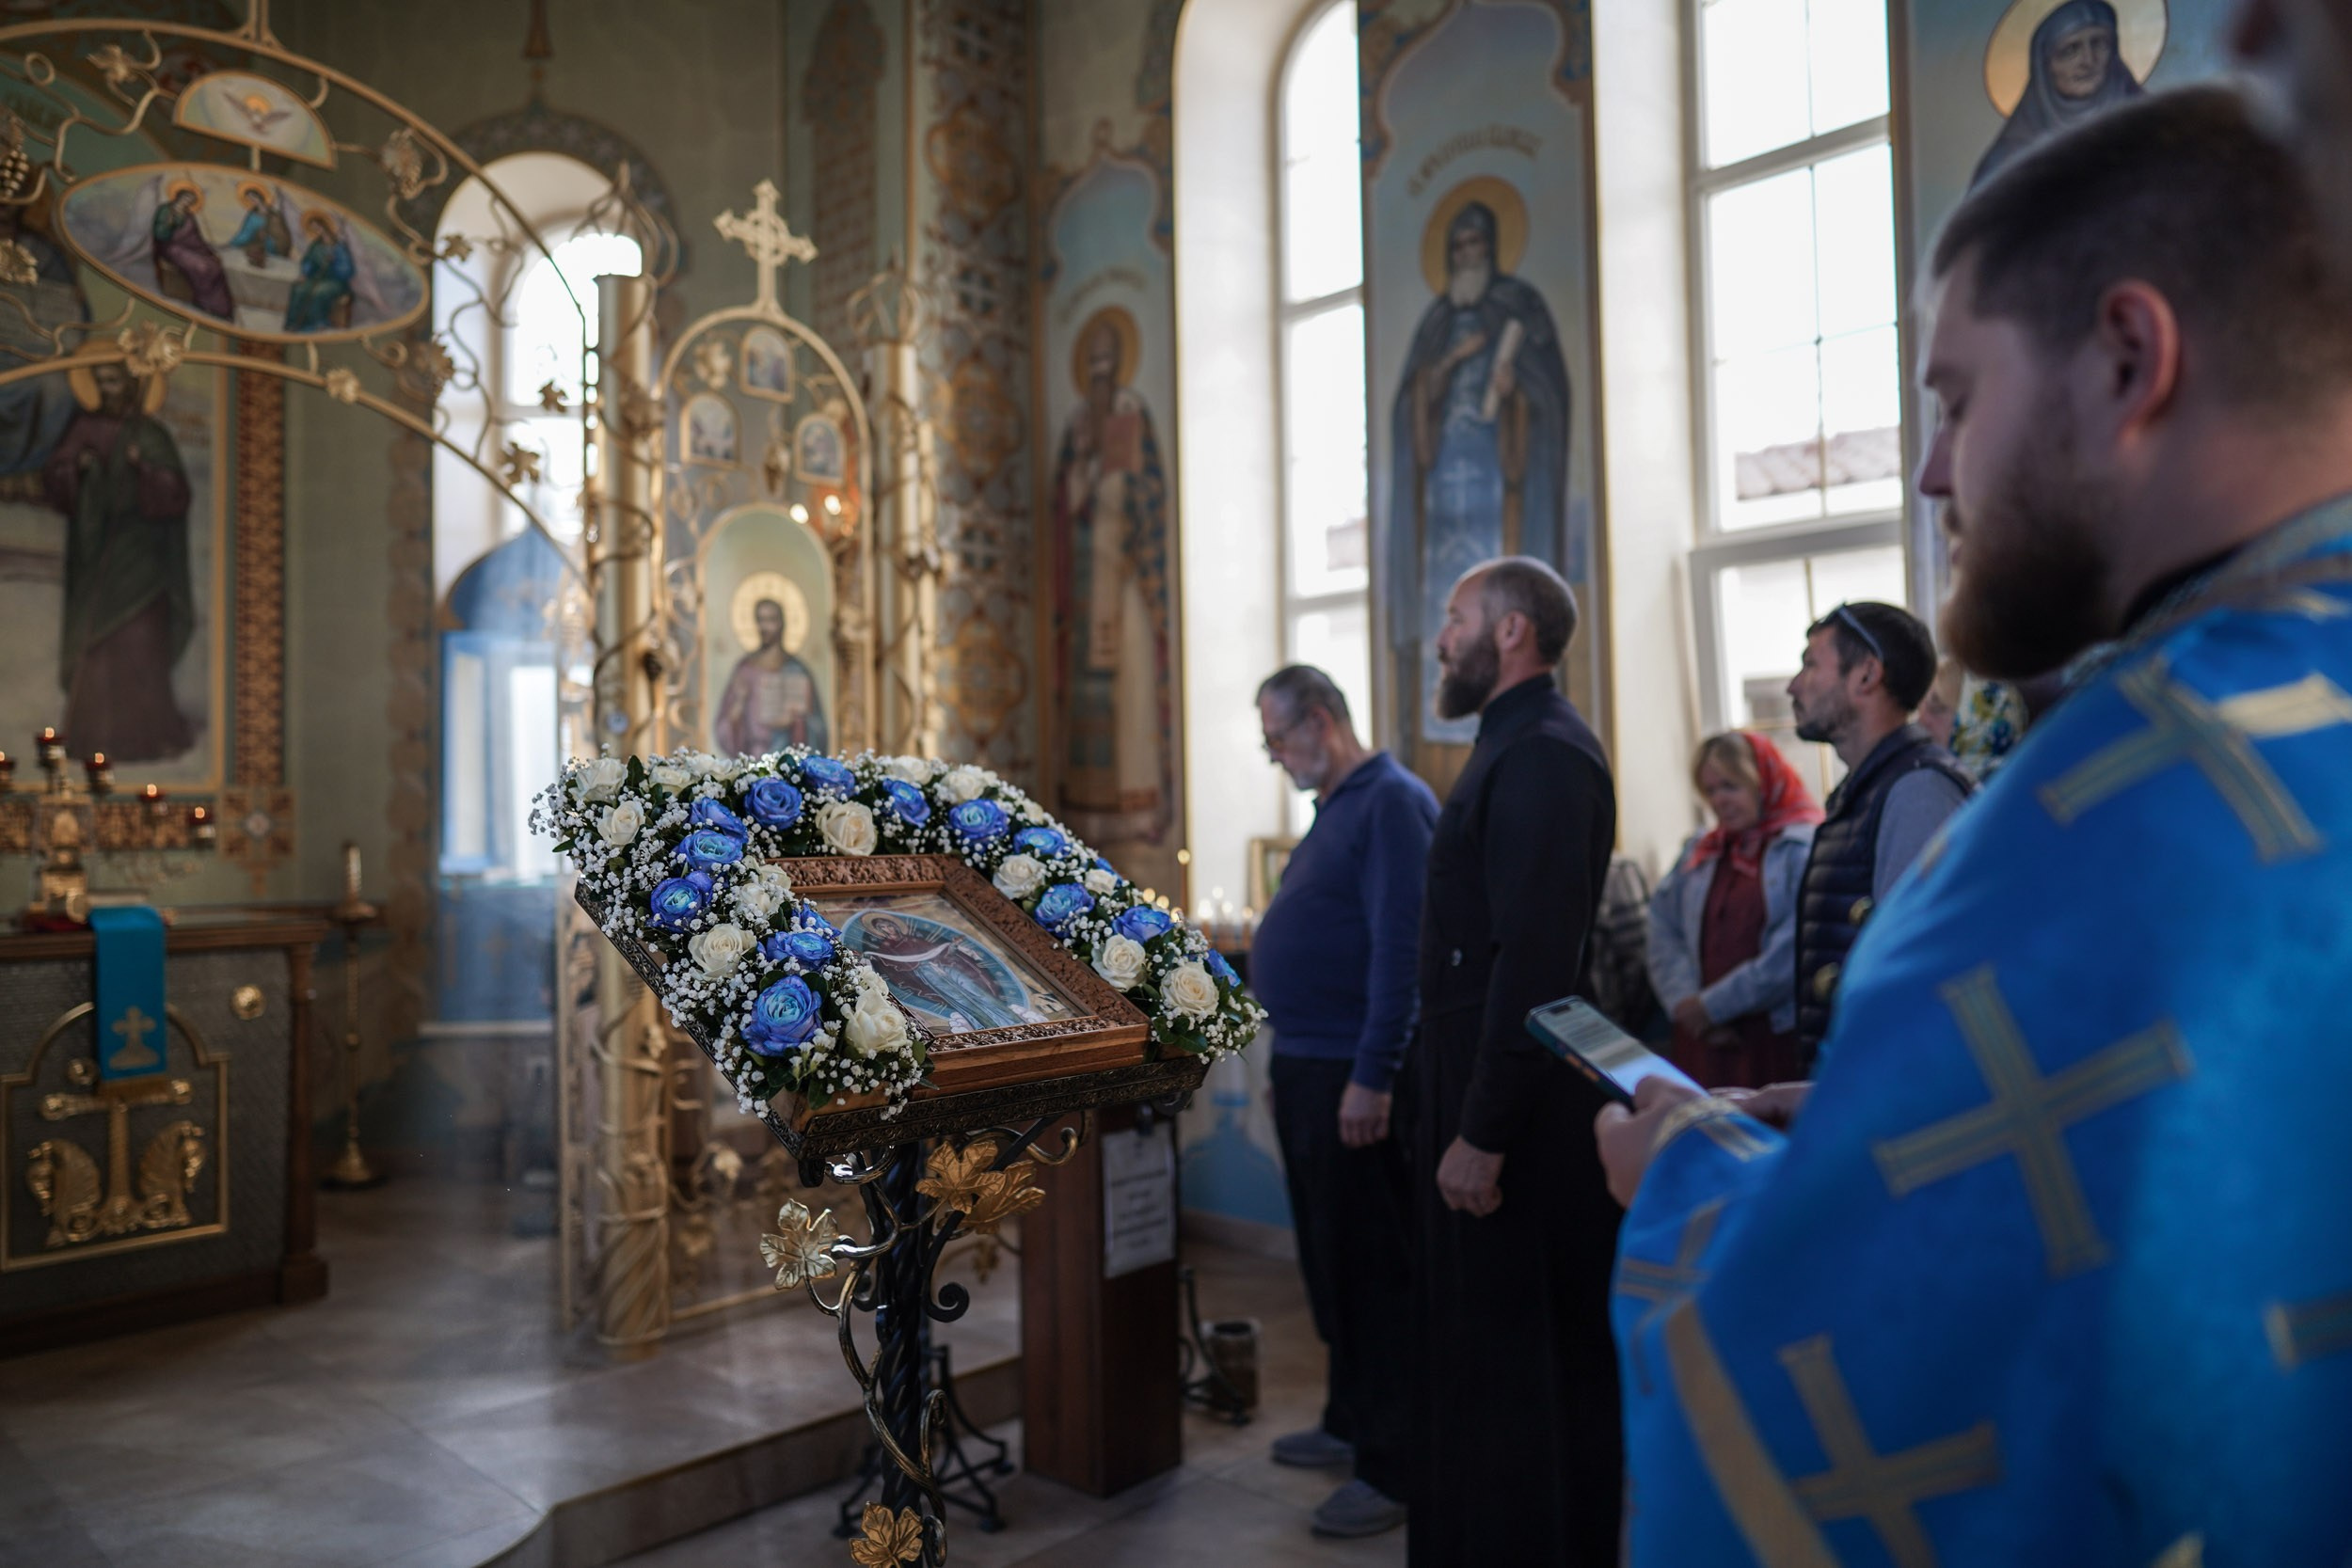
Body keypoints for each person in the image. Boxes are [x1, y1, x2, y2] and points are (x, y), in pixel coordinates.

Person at [1597, 87, 2352, 1564]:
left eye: (1952, 399)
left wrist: (1677, 1180)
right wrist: (1873, 1105)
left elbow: (1844, 1409)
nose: (1936, 471)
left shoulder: (2121, 800)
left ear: (2130, 357)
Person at [1405, 555, 1620, 1566]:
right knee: (1482, 1359)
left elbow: (1532, 965)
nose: (1438, 637)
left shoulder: (1541, 753)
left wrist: (1480, 1131)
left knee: (1522, 1367)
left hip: (1519, 1115)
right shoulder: (1512, 743)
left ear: (1508, 632)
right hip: (1484, 1079)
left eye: (1454, 618)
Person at [1247, 663, 1436, 1541]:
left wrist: (1375, 1073)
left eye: (1278, 737)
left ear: (1321, 721)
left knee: (1372, 1271)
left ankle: (1397, 1463)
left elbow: (1404, 952)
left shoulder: (1390, 801)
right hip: (1311, 1066)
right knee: (1331, 1260)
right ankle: (1350, 1417)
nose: (1274, 755)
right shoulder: (1340, 806)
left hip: (1349, 1075)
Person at [1387, 196, 1574, 746]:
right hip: (1442, 487)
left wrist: (1517, 394)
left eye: (1478, 244)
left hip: (1501, 485)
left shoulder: (1520, 307)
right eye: (1459, 246)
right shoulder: (1438, 323)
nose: (1468, 254)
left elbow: (1552, 395)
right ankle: (1434, 734)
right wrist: (1443, 372)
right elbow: (1408, 411)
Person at [1785, 600, 1972, 1061]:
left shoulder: (1919, 791)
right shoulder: (1869, 786)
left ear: (1867, 675)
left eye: (1811, 665)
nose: (1794, 685)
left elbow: (1913, 981)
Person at [1646, 732, 1821, 1091]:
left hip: (1769, 1037)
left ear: (1762, 782)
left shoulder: (1799, 850)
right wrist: (1687, 1006)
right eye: (1710, 791)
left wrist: (1713, 1006)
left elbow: (1791, 951)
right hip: (1703, 1038)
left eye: (1730, 786)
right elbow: (1662, 926)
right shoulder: (1703, 850)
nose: (1719, 801)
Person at [44, 359, 195, 762]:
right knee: (97, 647)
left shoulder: (150, 435)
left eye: (112, 380)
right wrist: (78, 469)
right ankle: (92, 736)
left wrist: (142, 468)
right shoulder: (83, 429)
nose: (106, 389)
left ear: (130, 385)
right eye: (100, 382)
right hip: (96, 555)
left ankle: (147, 732)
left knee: (140, 640)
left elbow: (175, 494)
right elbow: (56, 479)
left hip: (142, 558)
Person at [1971, 0, 2143, 188]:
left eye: (2099, 44)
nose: (2088, 60)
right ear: (2043, 66)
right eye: (2070, 50)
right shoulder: (2009, 161)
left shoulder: (2151, 128)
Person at [714, 597, 828, 754]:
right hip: (753, 761)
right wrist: (739, 704)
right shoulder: (745, 670)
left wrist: (798, 721)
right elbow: (723, 729)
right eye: (760, 620)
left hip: (790, 763)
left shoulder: (797, 670)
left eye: (770, 620)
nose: (764, 627)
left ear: (782, 623)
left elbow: (818, 729)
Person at [150, 183, 232, 322]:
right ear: (178, 196)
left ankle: (220, 308)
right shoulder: (165, 210)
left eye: (190, 201)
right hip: (170, 247)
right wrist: (169, 225)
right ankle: (203, 302)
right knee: (202, 267)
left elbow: (196, 238)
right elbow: (159, 234)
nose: (187, 202)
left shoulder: (188, 215)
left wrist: (210, 253)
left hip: (190, 248)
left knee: (215, 266)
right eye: (186, 198)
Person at [283, 212, 354, 334]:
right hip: (316, 277)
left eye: (319, 228)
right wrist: (305, 274)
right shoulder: (316, 245)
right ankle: (293, 323)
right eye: (314, 229)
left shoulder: (339, 247)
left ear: (325, 226)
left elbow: (348, 270)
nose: (318, 231)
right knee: (299, 288)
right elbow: (308, 261)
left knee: (319, 292)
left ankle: (316, 324)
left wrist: (335, 262)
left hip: (335, 282)